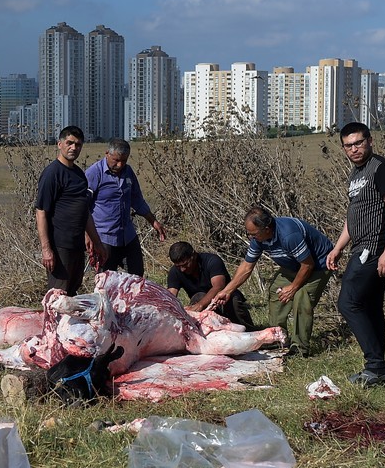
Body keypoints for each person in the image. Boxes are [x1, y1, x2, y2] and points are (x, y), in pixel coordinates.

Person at [327, 122, 385, 387]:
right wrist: (337, 248)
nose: (354, 149)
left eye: (358, 143)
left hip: (375, 248)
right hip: (360, 247)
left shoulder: (382, 169)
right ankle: (379, 368)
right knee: (370, 307)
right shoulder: (355, 174)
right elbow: (354, 216)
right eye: (349, 145)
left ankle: (375, 365)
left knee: (348, 303)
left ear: (370, 141)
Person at [210, 206, 334, 356]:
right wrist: (227, 291)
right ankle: (277, 338)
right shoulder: (258, 238)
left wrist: (293, 287)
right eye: (249, 234)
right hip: (294, 265)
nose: (252, 238)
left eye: (254, 234)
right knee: (275, 292)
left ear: (267, 228)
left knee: (302, 297)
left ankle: (300, 348)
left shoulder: (289, 235)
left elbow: (308, 265)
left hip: (318, 264)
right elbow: (247, 266)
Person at [35, 126, 107, 296]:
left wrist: (97, 242)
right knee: (58, 296)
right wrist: (46, 249)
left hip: (76, 245)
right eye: (70, 143)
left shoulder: (79, 175)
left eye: (78, 144)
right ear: (59, 144)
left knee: (73, 291)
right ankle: (54, 323)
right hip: (60, 246)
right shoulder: (52, 173)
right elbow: (41, 212)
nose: (74, 148)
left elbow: (85, 212)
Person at [84, 138, 167, 276]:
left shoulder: (128, 172)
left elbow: (137, 200)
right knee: (106, 281)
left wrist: (154, 221)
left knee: (137, 277)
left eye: (124, 160)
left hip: (127, 235)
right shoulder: (94, 173)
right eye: (116, 160)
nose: (120, 164)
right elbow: (83, 206)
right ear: (107, 154)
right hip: (104, 237)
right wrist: (88, 235)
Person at [166, 241, 253, 328]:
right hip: (202, 304)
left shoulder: (212, 261)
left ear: (194, 255)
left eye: (185, 265)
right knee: (199, 296)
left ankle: (250, 330)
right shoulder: (175, 272)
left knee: (233, 298)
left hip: (224, 301)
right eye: (178, 266)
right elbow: (170, 296)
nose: (182, 270)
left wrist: (200, 305)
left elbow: (218, 287)